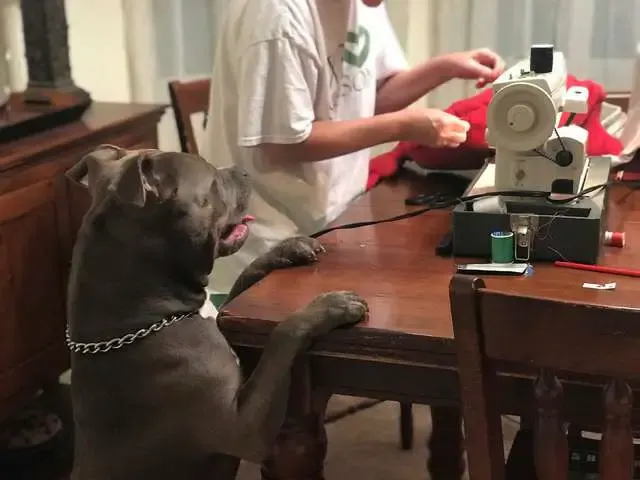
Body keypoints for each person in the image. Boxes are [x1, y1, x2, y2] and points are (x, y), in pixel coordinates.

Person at [201, 0, 505, 300]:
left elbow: (369, 94)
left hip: (330, 222)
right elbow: (282, 143)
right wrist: (405, 125)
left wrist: (445, 67)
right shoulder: (275, 14)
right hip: (262, 242)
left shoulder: (361, 5)